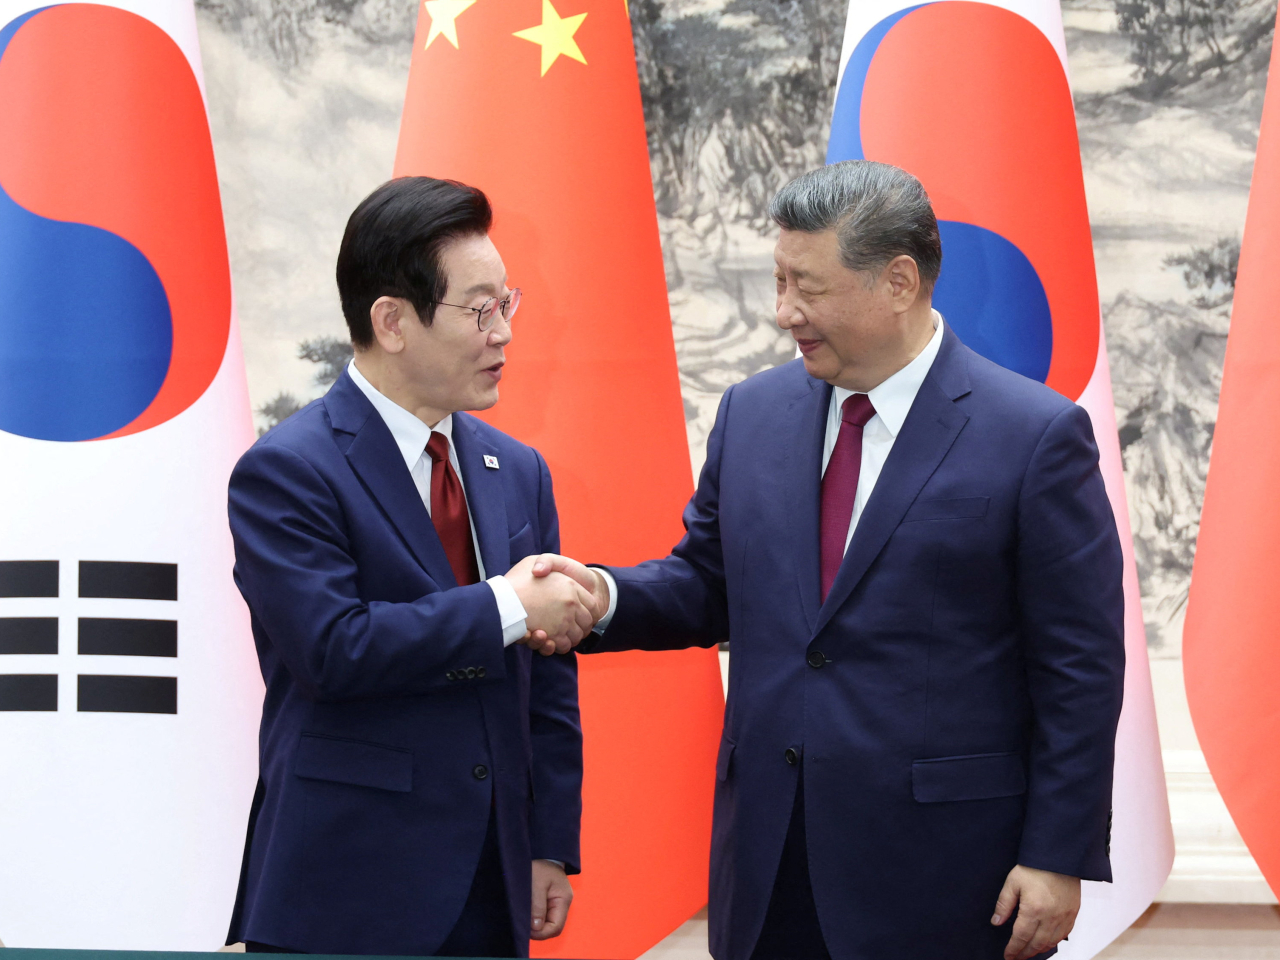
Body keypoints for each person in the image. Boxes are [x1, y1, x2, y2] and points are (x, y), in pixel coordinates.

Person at [534, 160, 1125, 960]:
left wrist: (1057, 853)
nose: (784, 313)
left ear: (900, 281)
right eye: (778, 281)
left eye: (806, 287)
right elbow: (708, 584)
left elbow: (1080, 669)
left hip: (947, 876)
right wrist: (601, 596)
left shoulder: (1033, 436)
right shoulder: (753, 413)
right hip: (771, 864)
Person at [225, 176, 594, 957]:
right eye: (479, 309)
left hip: (491, 890)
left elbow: (549, 676)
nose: (504, 334)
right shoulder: (288, 470)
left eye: (507, 304)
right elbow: (334, 650)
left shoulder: (517, 470)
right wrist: (505, 605)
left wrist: (546, 842)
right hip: (347, 886)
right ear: (391, 321)